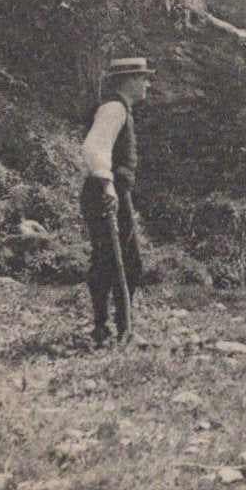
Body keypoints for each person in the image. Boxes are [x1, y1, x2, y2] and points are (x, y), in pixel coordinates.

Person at [80, 55, 154, 345]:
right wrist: (107, 184)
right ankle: (122, 329)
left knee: (109, 258)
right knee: (127, 260)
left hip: (104, 188)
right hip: (106, 189)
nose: (147, 84)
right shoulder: (114, 108)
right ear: (130, 81)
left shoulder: (117, 107)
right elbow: (94, 147)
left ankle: (105, 328)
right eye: (144, 78)